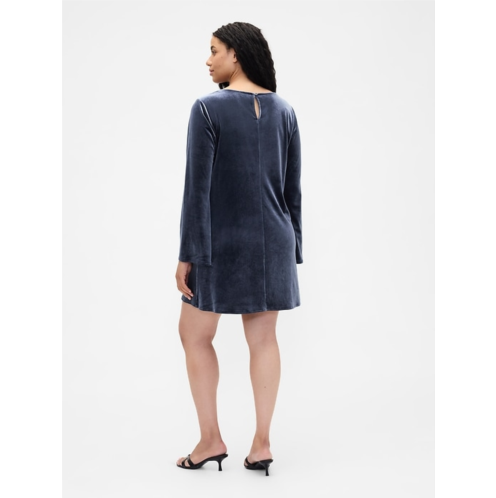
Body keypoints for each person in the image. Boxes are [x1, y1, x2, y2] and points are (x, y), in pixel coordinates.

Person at [175, 22, 303, 477]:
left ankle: (210, 439)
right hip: (274, 242)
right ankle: (261, 445)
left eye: (214, 50)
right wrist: (293, 251)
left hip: (220, 241)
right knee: (264, 340)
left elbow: (197, 190)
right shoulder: (285, 111)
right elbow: (292, 191)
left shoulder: (207, 109)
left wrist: (187, 254)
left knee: (193, 334)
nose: (208, 60)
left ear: (236, 54)